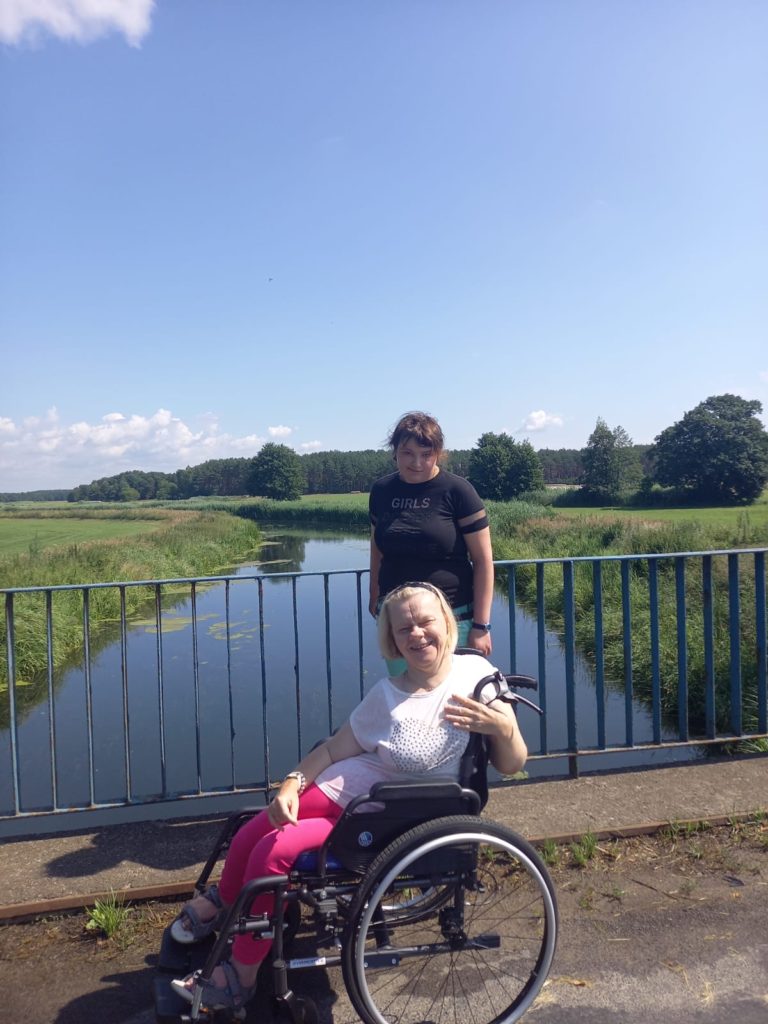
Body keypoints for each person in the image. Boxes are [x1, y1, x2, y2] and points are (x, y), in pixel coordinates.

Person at [170, 581, 527, 1012]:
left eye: (425, 621)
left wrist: (503, 728)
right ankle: (228, 910)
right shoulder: (387, 695)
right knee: (250, 833)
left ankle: (241, 976)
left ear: (447, 623)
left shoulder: (476, 676)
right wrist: (290, 785)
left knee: (272, 851)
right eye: (404, 628)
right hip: (348, 791)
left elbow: (512, 763)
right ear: (392, 640)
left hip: (387, 814)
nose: (417, 634)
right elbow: (332, 750)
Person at [369, 411, 495, 661]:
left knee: (455, 687)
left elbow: (483, 561)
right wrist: (374, 597)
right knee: (404, 686)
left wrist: (481, 626)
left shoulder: (458, 491)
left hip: (453, 618)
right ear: (395, 452)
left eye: (426, 454)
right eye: (407, 453)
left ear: (438, 453)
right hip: (398, 621)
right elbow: (377, 550)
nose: (417, 462)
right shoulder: (382, 491)